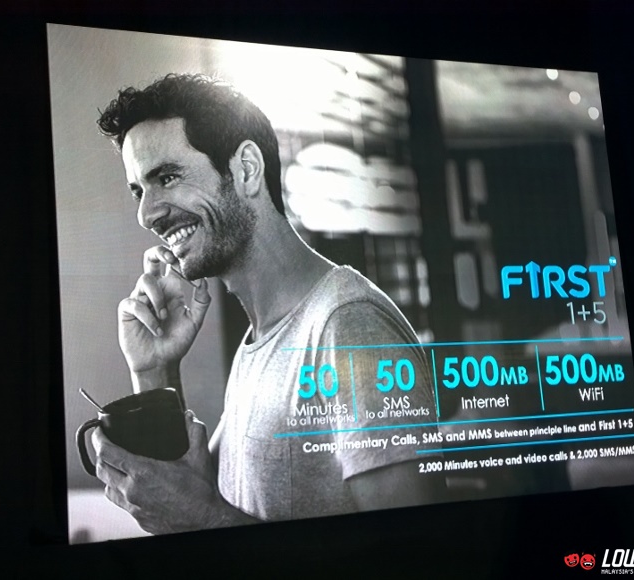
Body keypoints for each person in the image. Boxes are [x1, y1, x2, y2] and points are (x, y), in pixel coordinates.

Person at [91, 73, 445, 535]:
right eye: (140, 190)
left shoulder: (348, 327)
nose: (147, 214)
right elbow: (184, 496)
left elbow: (415, 552)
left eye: (167, 177)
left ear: (246, 169)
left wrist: (203, 520)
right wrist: (156, 369)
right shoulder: (261, 340)